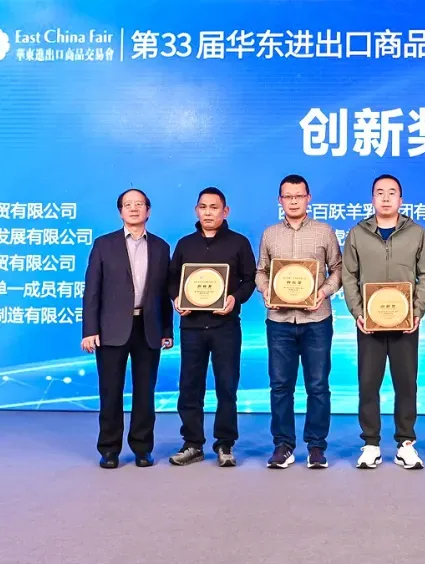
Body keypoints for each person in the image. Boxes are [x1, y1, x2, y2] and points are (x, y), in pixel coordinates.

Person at [342, 174, 425, 470]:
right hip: (369, 323)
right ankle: (371, 443)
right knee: (368, 383)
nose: (385, 197)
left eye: (391, 192)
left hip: (405, 323)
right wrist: (358, 312)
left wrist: (416, 312)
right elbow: (348, 276)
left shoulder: (416, 233)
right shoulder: (357, 233)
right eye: (379, 192)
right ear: (372, 199)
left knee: (406, 383)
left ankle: (405, 444)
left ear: (400, 199)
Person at [81, 188, 174, 469]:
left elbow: (164, 292)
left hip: (148, 327)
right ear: (120, 211)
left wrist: (167, 330)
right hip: (111, 329)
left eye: (139, 204)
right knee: (111, 392)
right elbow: (92, 291)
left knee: (145, 392)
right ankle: (109, 449)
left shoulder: (161, 247)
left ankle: (142, 448)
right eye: (128, 204)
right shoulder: (104, 244)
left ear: (148, 210)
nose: (134, 209)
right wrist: (89, 330)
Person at [255, 174, 343, 469]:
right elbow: (261, 271)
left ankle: (316, 447)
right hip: (279, 320)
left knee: (318, 386)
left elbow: (338, 269)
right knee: (281, 386)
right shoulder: (270, 234)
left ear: (308, 198)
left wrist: (323, 292)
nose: (293, 201)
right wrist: (266, 290)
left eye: (299, 196)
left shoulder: (324, 231)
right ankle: (283, 445)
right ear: (279, 200)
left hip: (317, 319)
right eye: (288, 197)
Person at [167, 187, 257, 468]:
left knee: (226, 387)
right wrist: (176, 298)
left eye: (214, 207)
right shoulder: (185, 244)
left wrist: (234, 299)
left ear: (225, 211)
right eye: (203, 207)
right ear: (197, 210)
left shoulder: (239, 243)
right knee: (189, 387)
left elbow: (250, 280)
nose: (208, 212)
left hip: (225, 326)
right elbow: (172, 279)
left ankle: (225, 444)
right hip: (192, 327)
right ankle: (192, 443)